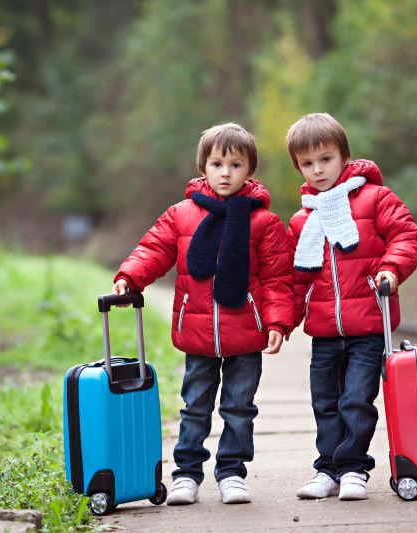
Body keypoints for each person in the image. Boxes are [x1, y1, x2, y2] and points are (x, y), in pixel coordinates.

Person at [112, 123, 293, 505]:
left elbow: (278, 278)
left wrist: (278, 320)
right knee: (194, 406)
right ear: (203, 168)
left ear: (249, 171)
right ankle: (186, 474)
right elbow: (154, 249)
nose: (225, 172)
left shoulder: (263, 222)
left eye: (235, 165)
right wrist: (130, 277)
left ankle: (231, 472)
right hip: (197, 333)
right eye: (217, 164)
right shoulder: (181, 215)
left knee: (239, 408)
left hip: (245, 333)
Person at [286, 113, 417, 500]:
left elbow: (406, 235)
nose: (317, 170)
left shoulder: (375, 198)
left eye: (325, 159)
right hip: (325, 330)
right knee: (325, 402)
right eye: (307, 163)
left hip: (367, 327)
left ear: (343, 156)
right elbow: (295, 279)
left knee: (356, 399)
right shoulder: (302, 220)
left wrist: (391, 269)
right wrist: (282, 322)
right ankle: (327, 468)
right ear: (298, 167)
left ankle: (352, 469)